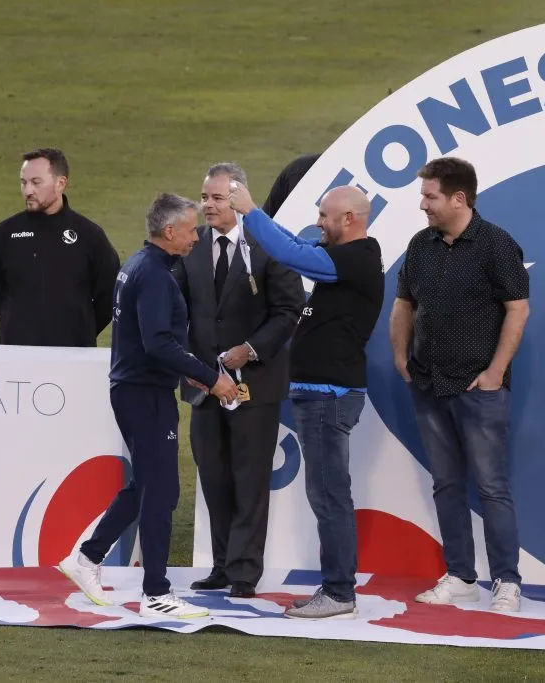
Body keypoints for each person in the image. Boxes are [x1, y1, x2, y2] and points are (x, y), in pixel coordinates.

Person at [59, 193, 238, 620]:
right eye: (192, 229)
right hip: (145, 393)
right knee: (161, 491)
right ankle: (156, 591)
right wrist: (212, 378)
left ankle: (86, 558)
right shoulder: (155, 275)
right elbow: (158, 342)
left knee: (147, 484)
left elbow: (150, 340)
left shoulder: (139, 265)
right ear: (170, 231)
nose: (198, 236)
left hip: (137, 387)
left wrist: (189, 371)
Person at [228, 179, 383, 620]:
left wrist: (251, 212)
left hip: (327, 398)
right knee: (328, 494)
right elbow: (300, 246)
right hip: (321, 396)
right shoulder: (345, 259)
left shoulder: (356, 259)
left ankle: (337, 592)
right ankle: (337, 588)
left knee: (329, 495)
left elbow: (294, 254)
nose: (318, 223)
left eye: (324, 217)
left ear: (348, 220)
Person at [389, 156, 529, 613]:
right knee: (446, 485)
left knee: (492, 487)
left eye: (429, 196)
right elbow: (404, 303)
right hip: (428, 385)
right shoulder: (420, 244)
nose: (422, 204)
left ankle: (507, 582)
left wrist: (494, 373)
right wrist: (400, 357)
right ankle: (461, 576)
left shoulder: (496, 244)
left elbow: (518, 308)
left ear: (458, 198)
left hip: (478, 389)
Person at [174, 163, 304, 598]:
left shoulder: (268, 244)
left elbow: (289, 310)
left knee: (250, 480)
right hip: (203, 387)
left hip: (256, 384)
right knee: (213, 476)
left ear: (238, 199)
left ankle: (246, 572)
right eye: (204, 198)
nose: (207, 206)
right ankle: (223, 565)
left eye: (216, 199)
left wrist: (249, 350)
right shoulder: (191, 246)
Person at [0, 148, 120, 346]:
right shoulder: (5, 233)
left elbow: (110, 293)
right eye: (23, 182)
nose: (28, 191)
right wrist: (14, 323)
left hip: (73, 355)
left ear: (60, 183)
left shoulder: (89, 235)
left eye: (36, 182)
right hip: (16, 354)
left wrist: (82, 328)